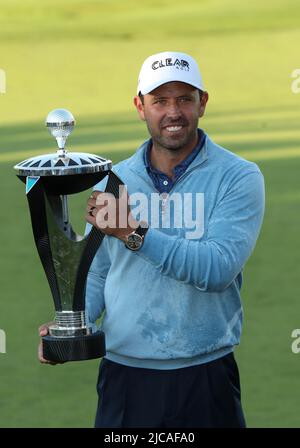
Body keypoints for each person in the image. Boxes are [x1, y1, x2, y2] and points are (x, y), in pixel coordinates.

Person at [39, 51, 265, 428]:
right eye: (160, 101)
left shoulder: (238, 176)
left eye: (184, 99)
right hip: (125, 378)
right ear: (140, 107)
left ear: (202, 103)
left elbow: (218, 269)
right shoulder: (113, 179)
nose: (172, 112)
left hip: (206, 376)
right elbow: (99, 273)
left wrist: (133, 232)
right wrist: (73, 322)